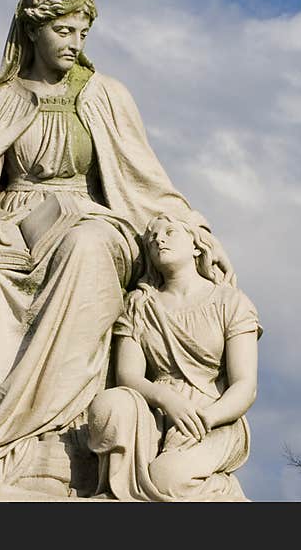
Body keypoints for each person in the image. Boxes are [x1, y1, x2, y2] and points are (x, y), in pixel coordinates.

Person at [0, 0, 232, 493]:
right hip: (15, 227)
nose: (74, 43)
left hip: (89, 222)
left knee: (88, 248)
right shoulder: (1, 99)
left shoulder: (105, 96)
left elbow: (146, 179)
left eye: (82, 34)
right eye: (63, 31)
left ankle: (59, 443)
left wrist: (196, 231)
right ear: (33, 31)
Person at [87, 213, 260, 501]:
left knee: (168, 478)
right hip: (157, 408)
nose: (159, 239)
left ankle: (224, 494)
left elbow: (245, 385)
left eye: (170, 232)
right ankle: (120, 491)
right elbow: (128, 376)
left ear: (196, 246)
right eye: (153, 237)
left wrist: (206, 418)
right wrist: (167, 400)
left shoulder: (231, 301)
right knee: (110, 403)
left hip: (213, 415)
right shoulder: (140, 304)